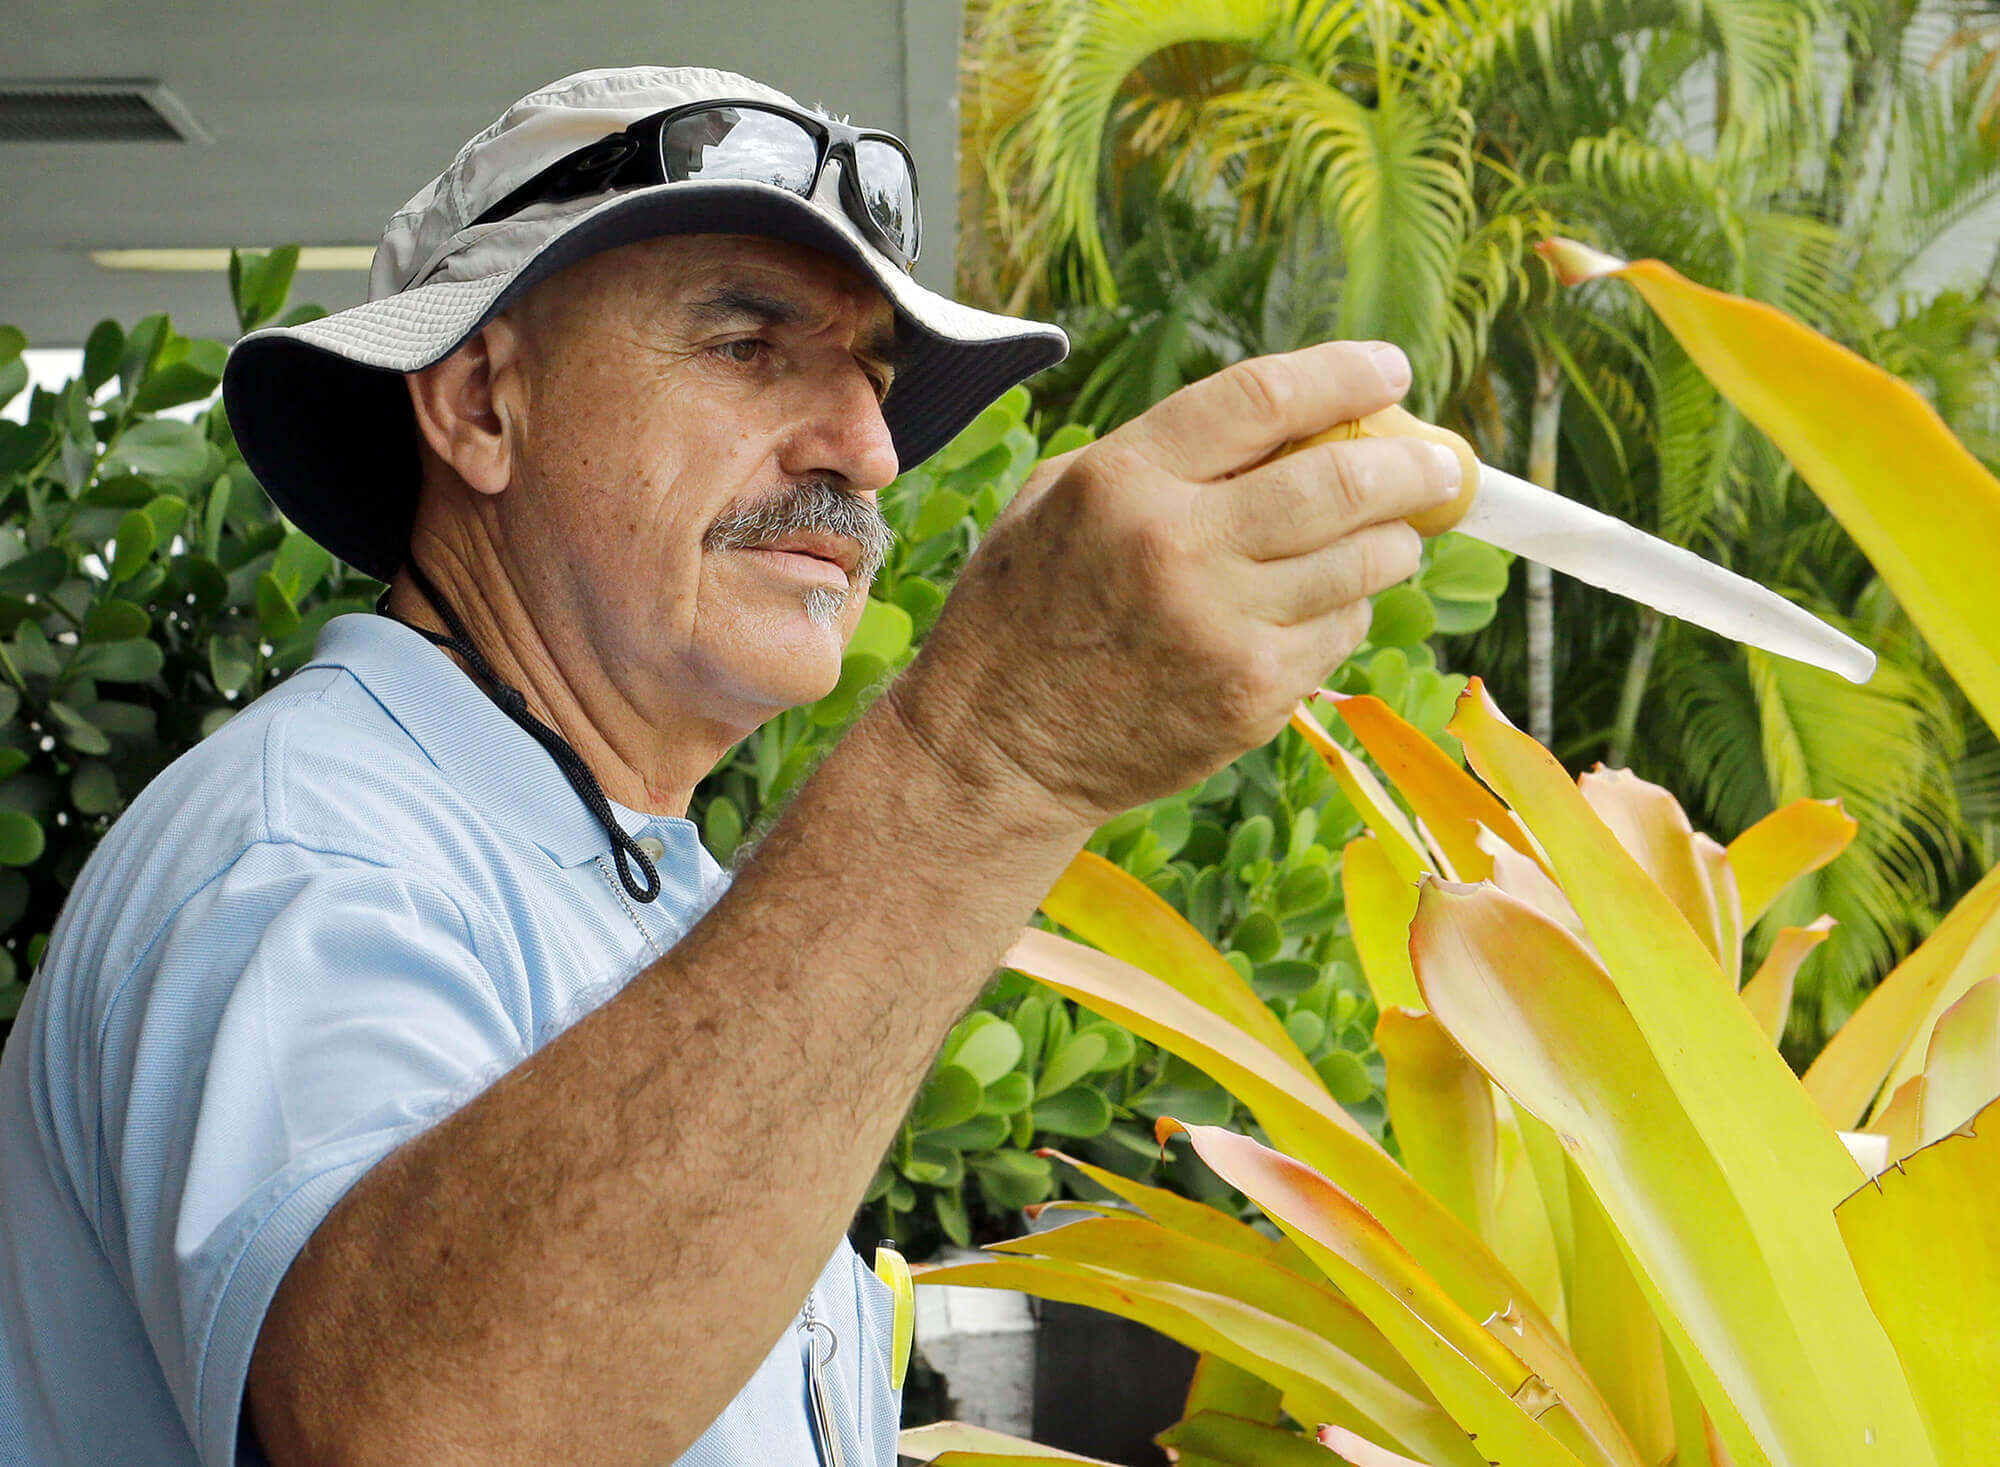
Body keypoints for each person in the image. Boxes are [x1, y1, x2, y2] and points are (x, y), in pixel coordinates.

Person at [0, 65, 1460, 1467]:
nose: (868, 450)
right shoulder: (308, 846)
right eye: (747, 347)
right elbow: (436, 1434)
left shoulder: (623, 876)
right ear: (481, 408)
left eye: (872, 378)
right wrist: (987, 754)